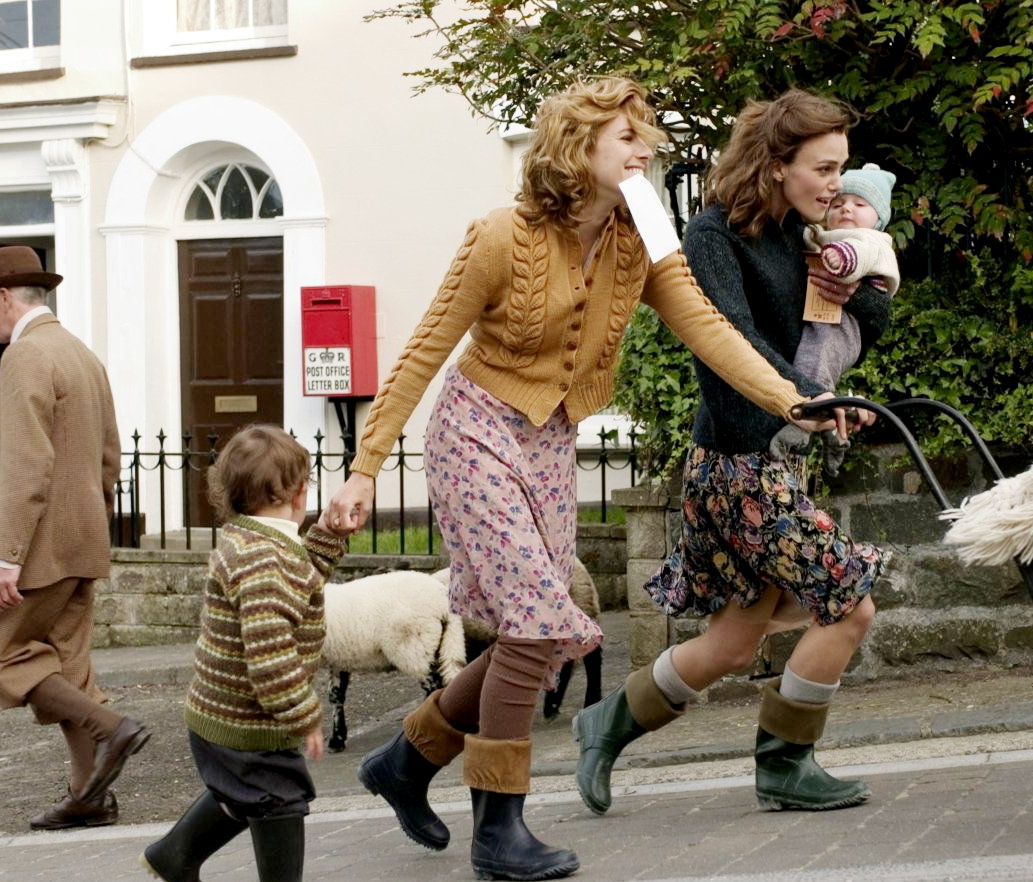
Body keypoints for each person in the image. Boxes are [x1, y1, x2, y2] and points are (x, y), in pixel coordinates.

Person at [324, 77, 849, 882]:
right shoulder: (499, 236)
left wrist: (792, 398)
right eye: (627, 137)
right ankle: (499, 828)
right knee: (536, 625)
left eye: (646, 136)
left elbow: (706, 327)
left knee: (539, 635)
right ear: (578, 149)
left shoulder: (641, 235)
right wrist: (365, 471)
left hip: (550, 441)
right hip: (475, 430)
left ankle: (404, 761)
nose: (645, 148)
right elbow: (423, 353)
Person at [573, 90, 890, 818]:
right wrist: (807, 395)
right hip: (737, 468)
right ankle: (786, 764)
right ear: (778, 164)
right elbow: (728, 343)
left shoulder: (799, 234)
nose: (836, 182)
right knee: (850, 605)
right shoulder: (714, 234)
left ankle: (604, 724)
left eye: (840, 167)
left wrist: (860, 283)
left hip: (781, 461)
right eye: (824, 167)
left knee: (732, 643)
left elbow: (862, 325)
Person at [0, 246, 149, 831]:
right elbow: (109, 457)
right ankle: (89, 796)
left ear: (7, 297)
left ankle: (113, 727)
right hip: (82, 540)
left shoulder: (26, 356)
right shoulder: (80, 354)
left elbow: (25, 465)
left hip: (39, 546)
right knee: (67, 666)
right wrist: (89, 522)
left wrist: (6, 556)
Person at [141, 425, 352, 882]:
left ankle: (174, 856)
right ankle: (177, 856)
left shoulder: (252, 540)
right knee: (279, 800)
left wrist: (328, 536)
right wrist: (305, 716)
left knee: (242, 794)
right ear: (300, 492)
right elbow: (271, 656)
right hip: (249, 721)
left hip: (218, 713)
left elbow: (295, 582)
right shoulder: (264, 558)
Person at [768, 162, 900, 475]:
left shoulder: (872, 241)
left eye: (859, 204)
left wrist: (840, 259)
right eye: (839, 203)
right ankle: (836, 431)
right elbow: (811, 240)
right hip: (823, 319)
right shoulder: (827, 234)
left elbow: (859, 256)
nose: (847, 210)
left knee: (815, 365)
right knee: (816, 368)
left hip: (843, 325)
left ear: (878, 217)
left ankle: (798, 427)